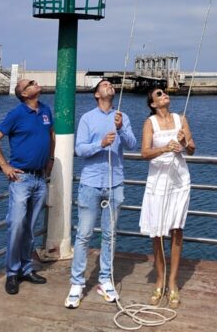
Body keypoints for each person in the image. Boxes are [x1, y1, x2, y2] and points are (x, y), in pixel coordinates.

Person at [65, 78, 137, 310]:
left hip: (115, 183)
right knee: (84, 234)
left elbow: (132, 144)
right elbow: (80, 149)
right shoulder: (87, 118)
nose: (110, 87)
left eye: (111, 85)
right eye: (104, 85)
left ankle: (105, 279)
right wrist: (101, 143)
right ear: (97, 94)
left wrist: (120, 130)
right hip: (90, 183)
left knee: (110, 235)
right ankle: (77, 283)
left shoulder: (122, 117)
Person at [0, 78, 55, 295]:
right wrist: (4, 165)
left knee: (29, 228)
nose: (36, 83)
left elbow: (50, 135)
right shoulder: (16, 113)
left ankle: (26, 268)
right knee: (16, 225)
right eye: (31, 84)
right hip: (21, 178)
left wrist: (50, 160)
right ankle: (12, 273)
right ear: (24, 94)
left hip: (39, 178)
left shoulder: (45, 110)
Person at [140, 87, 195, 309]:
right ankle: (159, 279)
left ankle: (172, 282)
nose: (165, 96)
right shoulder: (149, 123)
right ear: (153, 103)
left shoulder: (181, 118)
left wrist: (183, 143)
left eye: (164, 94)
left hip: (179, 181)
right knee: (157, 231)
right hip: (157, 181)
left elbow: (192, 149)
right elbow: (144, 153)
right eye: (159, 94)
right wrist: (164, 148)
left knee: (176, 229)